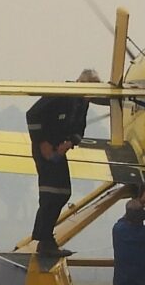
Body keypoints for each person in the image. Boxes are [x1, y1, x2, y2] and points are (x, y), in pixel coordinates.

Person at [25, 69, 102, 260]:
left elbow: (79, 128)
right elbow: (33, 114)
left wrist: (68, 143)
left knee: (62, 192)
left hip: (59, 149)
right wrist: (42, 143)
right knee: (50, 193)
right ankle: (44, 240)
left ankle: (45, 238)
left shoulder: (82, 102)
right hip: (45, 148)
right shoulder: (60, 94)